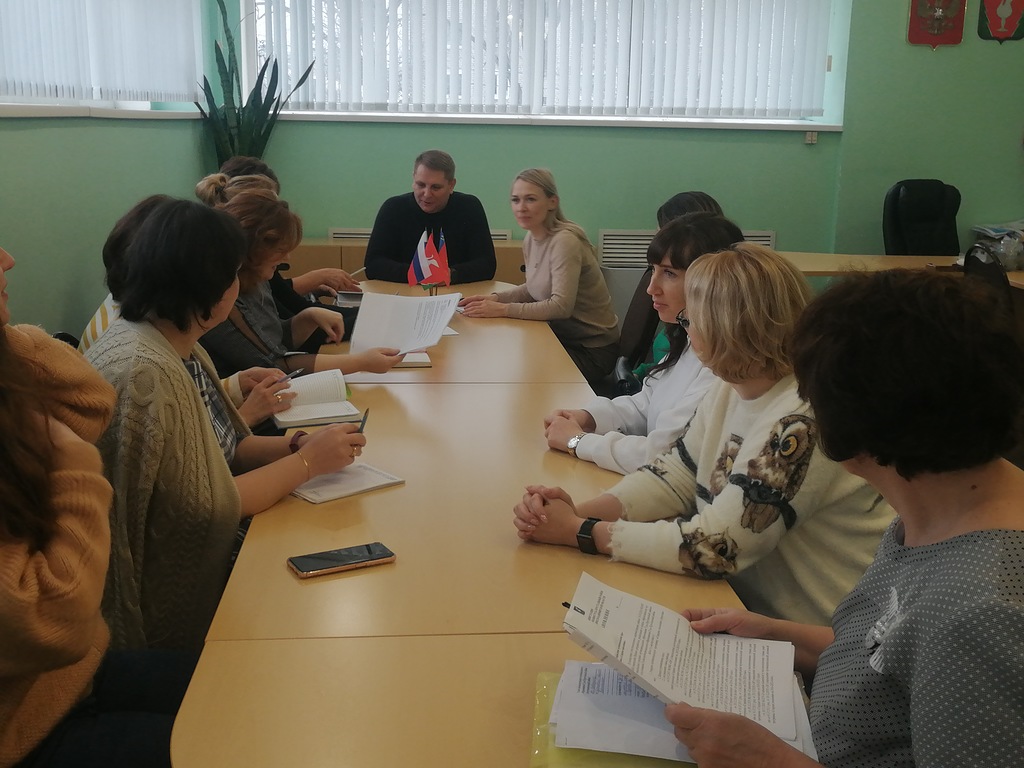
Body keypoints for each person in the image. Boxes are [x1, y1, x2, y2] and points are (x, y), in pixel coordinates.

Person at [665, 269, 1024, 767]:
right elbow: (889, 653)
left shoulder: (983, 612)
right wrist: (776, 635)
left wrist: (770, 760)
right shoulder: (940, 508)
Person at [513, 244, 893, 627]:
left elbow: (713, 550)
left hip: (819, 635)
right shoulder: (731, 386)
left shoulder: (800, 419)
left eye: (689, 321)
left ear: (726, 328)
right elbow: (676, 475)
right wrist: (577, 513)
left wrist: (578, 531)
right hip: (743, 606)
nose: (687, 331)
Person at [85, 199, 368, 651]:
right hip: (176, 606)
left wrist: (299, 445)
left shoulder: (173, 341)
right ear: (210, 286)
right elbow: (209, 506)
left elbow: (225, 449)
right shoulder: (145, 371)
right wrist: (307, 465)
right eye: (234, 273)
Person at [0, 246, 194, 768]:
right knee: (232, 745)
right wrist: (71, 463)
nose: (8, 259)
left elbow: (88, 403)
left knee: (242, 690)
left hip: (62, 681)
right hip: (22, 733)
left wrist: (7, 343)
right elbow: (51, 621)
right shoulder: (144, 361)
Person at [542, 212, 739, 474]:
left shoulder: (725, 367)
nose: (651, 288)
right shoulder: (688, 340)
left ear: (711, 282)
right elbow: (646, 403)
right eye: (653, 270)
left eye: (669, 273)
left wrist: (577, 441)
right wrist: (589, 418)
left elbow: (668, 456)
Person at [79, 194, 297, 427]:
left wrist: (234, 385)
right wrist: (247, 418)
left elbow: (186, 398)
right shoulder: (144, 360)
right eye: (233, 273)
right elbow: (181, 424)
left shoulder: (149, 318)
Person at [197, 187, 403, 379]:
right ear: (253, 249)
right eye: (280, 250)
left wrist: (307, 318)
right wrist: (360, 362)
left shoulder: (256, 278)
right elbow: (274, 365)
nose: (286, 258)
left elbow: (278, 342)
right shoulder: (222, 297)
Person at [460, 168, 619, 387]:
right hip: (562, 339)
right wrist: (494, 299)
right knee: (502, 358)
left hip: (591, 351)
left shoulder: (565, 242)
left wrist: (503, 309)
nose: (521, 207)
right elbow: (532, 288)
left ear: (552, 202)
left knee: (513, 371)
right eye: (515, 200)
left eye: (530, 199)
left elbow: (561, 306)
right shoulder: (531, 238)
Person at [364, 149, 496, 283]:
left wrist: (451, 275)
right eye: (420, 185)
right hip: (403, 292)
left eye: (436, 187)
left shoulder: (469, 207)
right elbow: (372, 265)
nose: (426, 194)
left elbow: (487, 265)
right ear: (413, 178)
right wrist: (419, 275)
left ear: (451, 185)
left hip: (457, 292)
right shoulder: (393, 208)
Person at [634, 191, 728, 379]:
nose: (651, 289)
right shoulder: (681, 331)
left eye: (669, 272)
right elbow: (663, 379)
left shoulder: (712, 354)